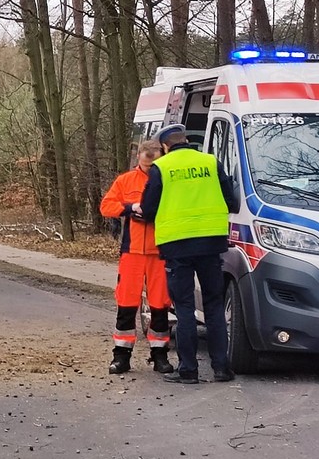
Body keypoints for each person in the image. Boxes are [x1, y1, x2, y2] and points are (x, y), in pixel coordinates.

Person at [138, 125, 241, 384]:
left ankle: (188, 370)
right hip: (210, 243)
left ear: (164, 146)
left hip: (177, 246)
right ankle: (221, 368)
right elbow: (232, 201)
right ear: (187, 141)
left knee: (184, 308)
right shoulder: (210, 162)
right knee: (214, 306)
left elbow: (149, 209)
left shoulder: (163, 167)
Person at [100, 140, 173, 374]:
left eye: (153, 165)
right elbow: (107, 206)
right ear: (138, 158)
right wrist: (130, 208)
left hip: (160, 250)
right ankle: (121, 356)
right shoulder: (126, 180)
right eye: (145, 164)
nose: (149, 168)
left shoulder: (168, 179)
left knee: (160, 304)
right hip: (132, 251)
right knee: (127, 302)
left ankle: (160, 355)